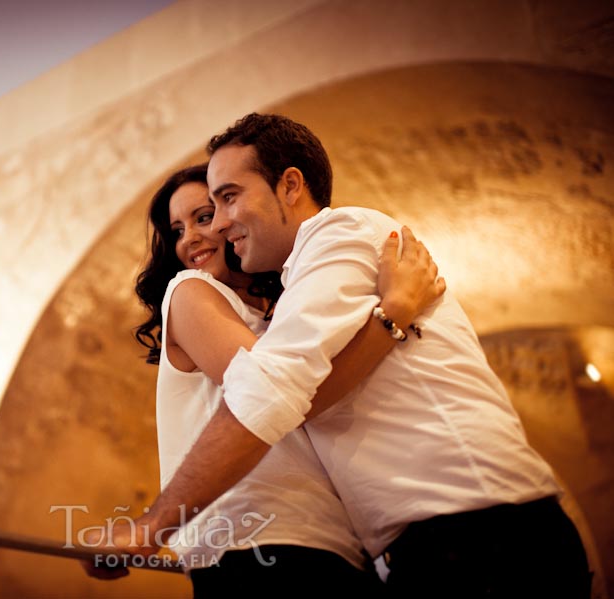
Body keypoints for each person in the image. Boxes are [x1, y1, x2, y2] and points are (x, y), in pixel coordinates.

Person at [102, 114, 591, 598]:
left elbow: (275, 391)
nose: (219, 223)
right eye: (188, 221)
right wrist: (392, 317)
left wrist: (152, 527)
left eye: (224, 200)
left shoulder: (340, 234)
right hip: (431, 541)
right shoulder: (265, 292)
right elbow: (297, 398)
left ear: (290, 185)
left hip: (478, 532)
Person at [84, 163, 443, 596]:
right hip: (254, 544)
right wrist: (394, 313)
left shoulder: (286, 314)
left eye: (203, 217)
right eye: (176, 230)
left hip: (339, 548)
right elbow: (277, 394)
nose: (191, 238)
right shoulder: (189, 291)